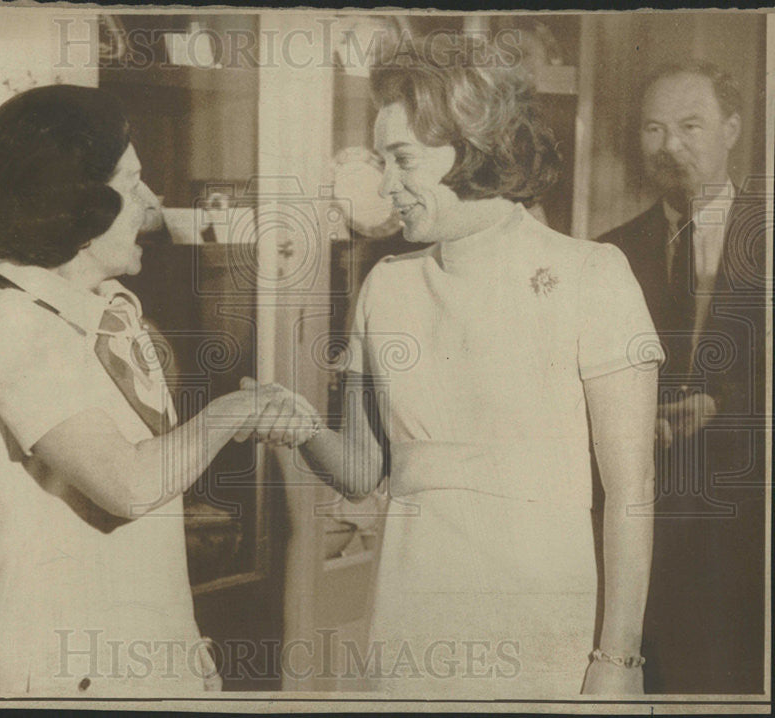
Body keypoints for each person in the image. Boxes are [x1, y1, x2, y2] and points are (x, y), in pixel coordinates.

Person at [265, 40, 664, 696]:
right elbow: (363, 472)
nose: (386, 184)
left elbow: (632, 489)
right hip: (410, 622)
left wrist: (617, 661)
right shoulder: (386, 287)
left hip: (543, 634)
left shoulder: (591, 276)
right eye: (380, 161)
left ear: (476, 144)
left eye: (402, 160)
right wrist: (301, 425)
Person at [0, 85, 308, 695]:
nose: (150, 200)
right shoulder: (17, 326)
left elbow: (153, 504)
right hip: (66, 664)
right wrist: (232, 411)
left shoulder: (109, 308)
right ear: (72, 203)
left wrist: (177, 635)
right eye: (130, 181)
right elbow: (127, 483)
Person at [598, 62, 766, 694]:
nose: (668, 146)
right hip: (642, 531)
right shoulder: (607, 254)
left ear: (731, 128)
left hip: (751, 528)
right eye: (653, 129)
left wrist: (723, 406)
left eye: (689, 126)